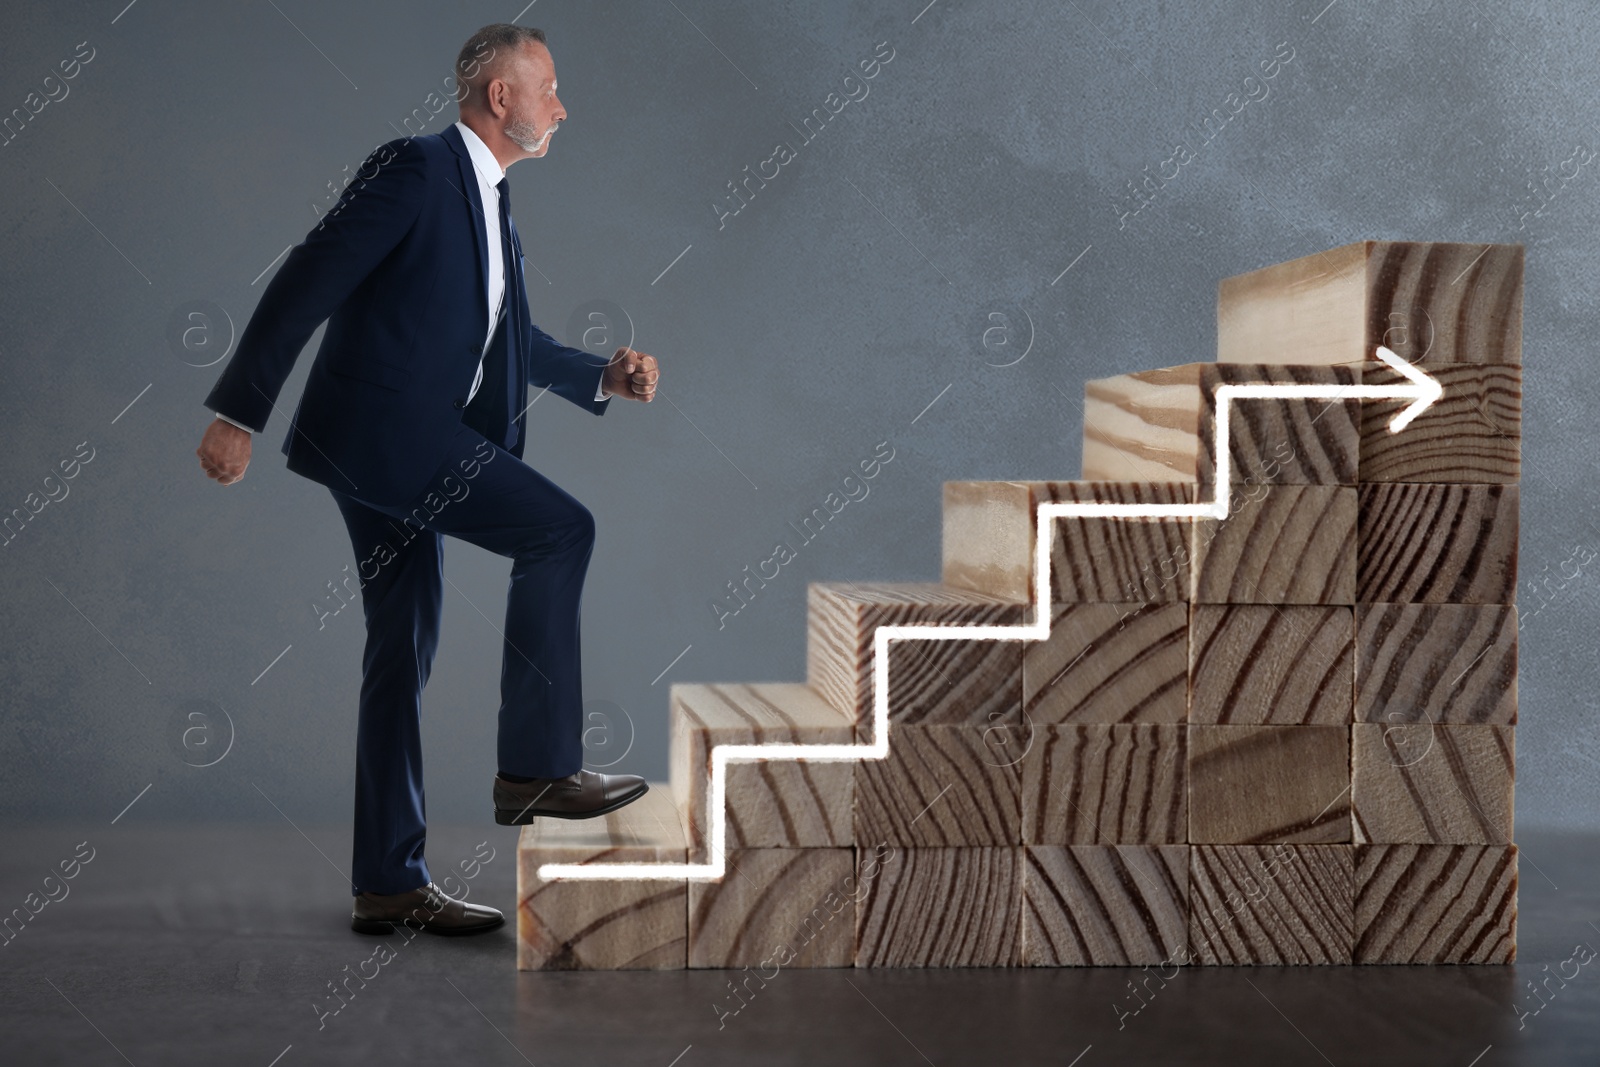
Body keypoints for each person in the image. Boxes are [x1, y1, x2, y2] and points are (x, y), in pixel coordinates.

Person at [194, 23, 658, 937]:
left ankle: (388, 883)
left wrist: (600, 375)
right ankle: (535, 767)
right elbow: (309, 273)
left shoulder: (496, 205)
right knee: (560, 529)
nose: (563, 107)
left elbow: (515, 344)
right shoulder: (414, 167)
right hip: (388, 437)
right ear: (500, 98)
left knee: (399, 651)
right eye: (550, 88)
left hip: (388, 447)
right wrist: (239, 408)